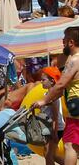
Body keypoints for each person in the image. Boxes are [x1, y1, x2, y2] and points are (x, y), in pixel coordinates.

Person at [35, 26, 79, 165]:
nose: (62, 42)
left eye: (64, 40)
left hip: (76, 107)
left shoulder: (74, 60)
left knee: (70, 145)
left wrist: (44, 100)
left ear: (71, 42)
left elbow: (60, 85)